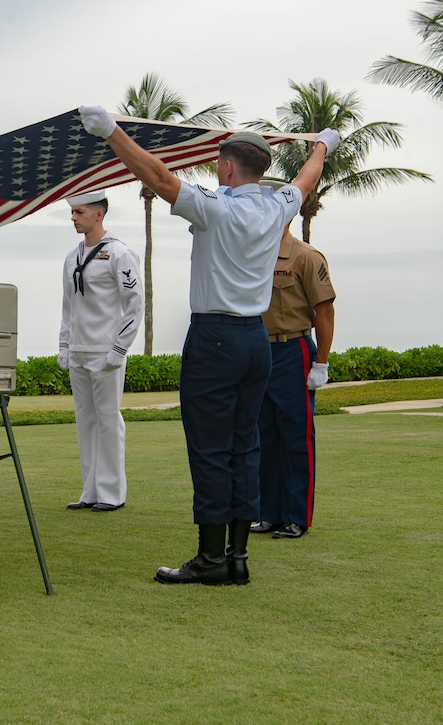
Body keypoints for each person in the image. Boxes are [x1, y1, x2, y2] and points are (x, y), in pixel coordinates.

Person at [79, 105, 338, 585]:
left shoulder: (216, 206)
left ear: (226, 166)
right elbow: (307, 175)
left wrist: (111, 131)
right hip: (255, 342)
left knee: (210, 451)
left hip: (214, 339)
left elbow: (157, 176)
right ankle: (237, 559)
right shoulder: (278, 203)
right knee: (246, 447)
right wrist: (323, 144)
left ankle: (209, 559)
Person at [58, 190, 144, 513]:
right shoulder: (72, 257)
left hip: (105, 351)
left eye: (79, 212)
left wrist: (120, 346)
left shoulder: (119, 253)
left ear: (98, 214)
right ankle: (90, 490)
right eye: (73, 212)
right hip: (79, 351)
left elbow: (134, 305)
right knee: (86, 421)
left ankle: (111, 492)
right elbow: (68, 307)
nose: (73, 218)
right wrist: (64, 345)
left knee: (108, 420)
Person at [252, 225, 336, 540]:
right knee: (265, 437)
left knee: (296, 437)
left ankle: (296, 516)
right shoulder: (252, 252)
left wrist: (321, 363)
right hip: (260, 350)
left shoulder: (305, 256)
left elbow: (324, 312)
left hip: (293, 350)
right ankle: (269, 514)